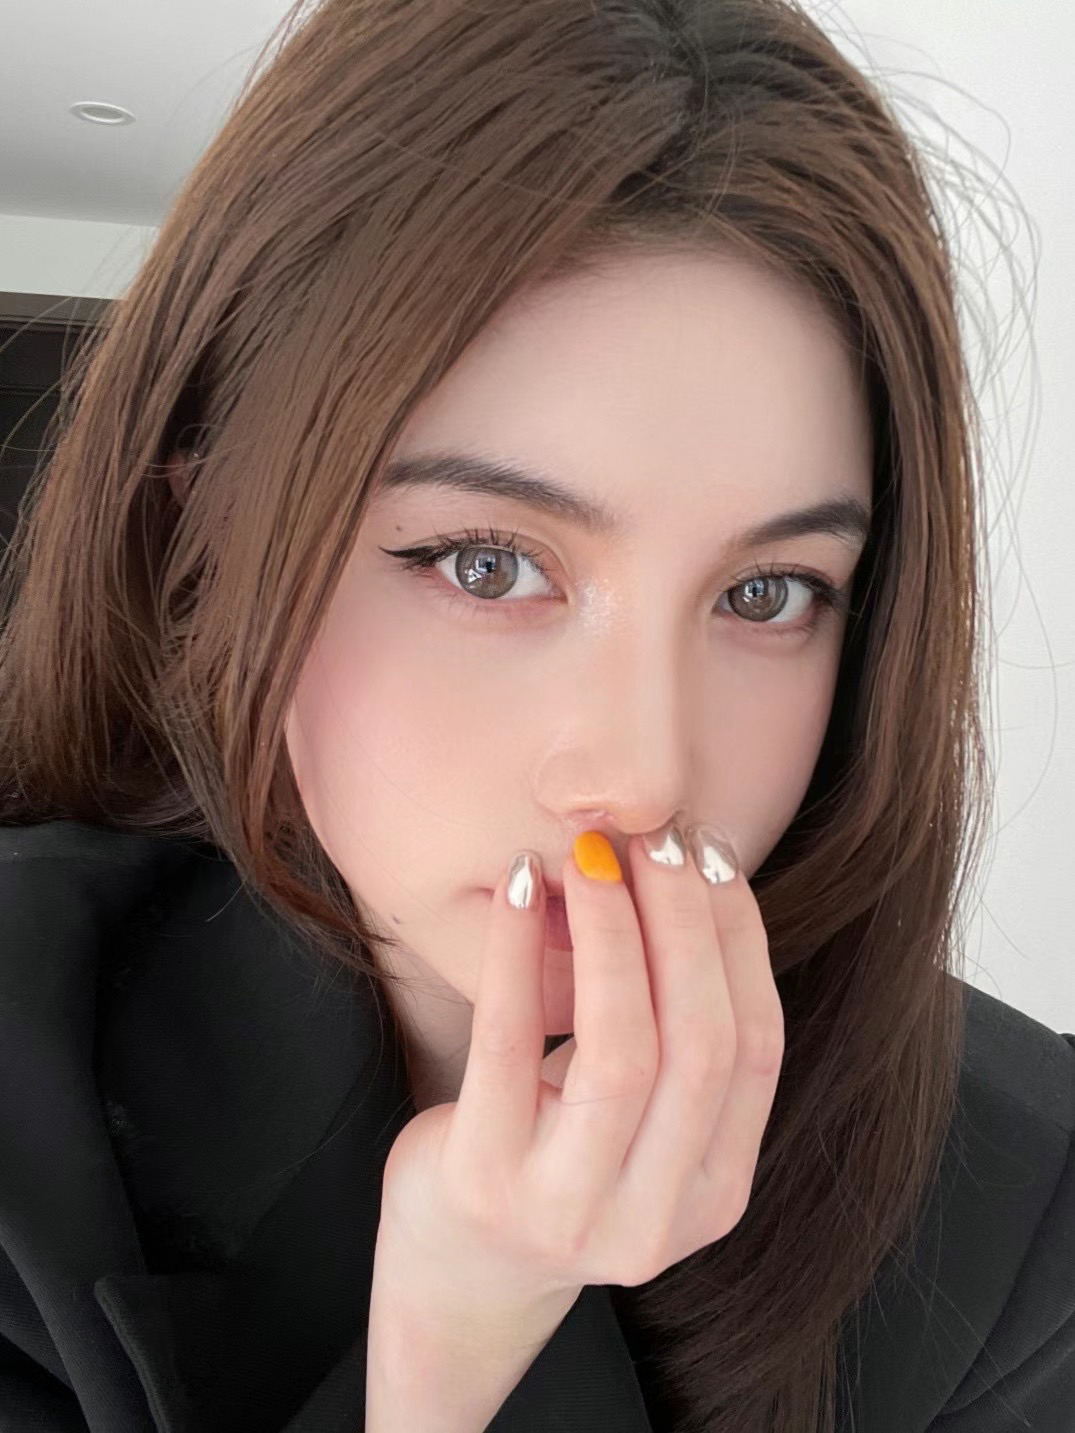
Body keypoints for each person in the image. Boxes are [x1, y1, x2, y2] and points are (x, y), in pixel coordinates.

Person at [0, 0, 1071, 1430]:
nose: (642, 772)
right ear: (214, 548)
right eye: (487, 565)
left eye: (766, 594)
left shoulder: (1020, 1211)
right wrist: (446, 1363)